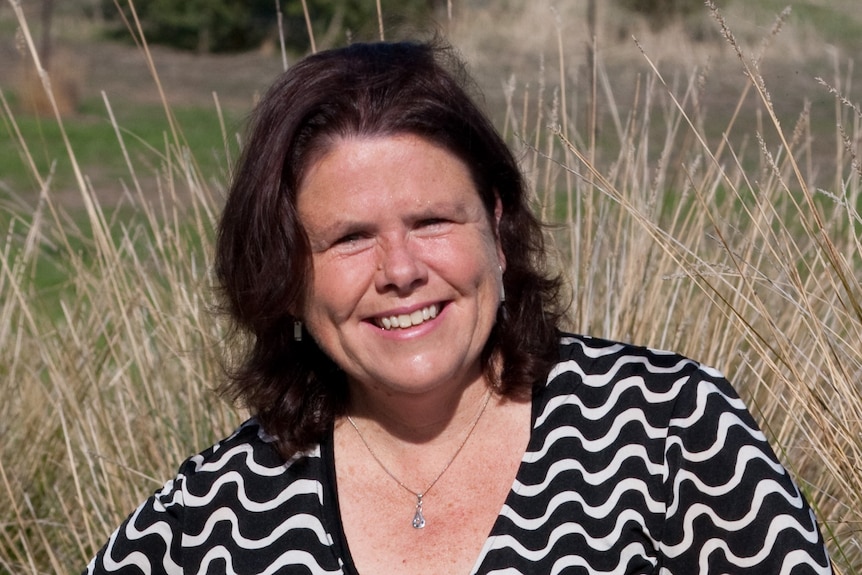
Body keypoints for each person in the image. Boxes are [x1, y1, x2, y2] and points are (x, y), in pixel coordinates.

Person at [84, 40, 833, 574]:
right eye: (349, 238)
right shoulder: (212, 512)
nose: (402, 270)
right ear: (286, 274)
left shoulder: (669, 430)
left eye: (433, 222)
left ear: (497, 232)